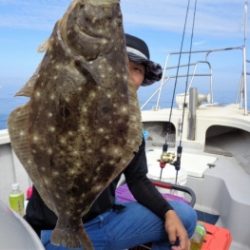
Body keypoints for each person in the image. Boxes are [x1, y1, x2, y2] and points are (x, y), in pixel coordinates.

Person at [25, 34, 197, 250]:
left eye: (136, 69)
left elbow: (137, 179)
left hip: (108, 221)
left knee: (185, 216)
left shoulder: (131, 127)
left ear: (142, 80)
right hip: (61, 233)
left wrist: (167, 212)